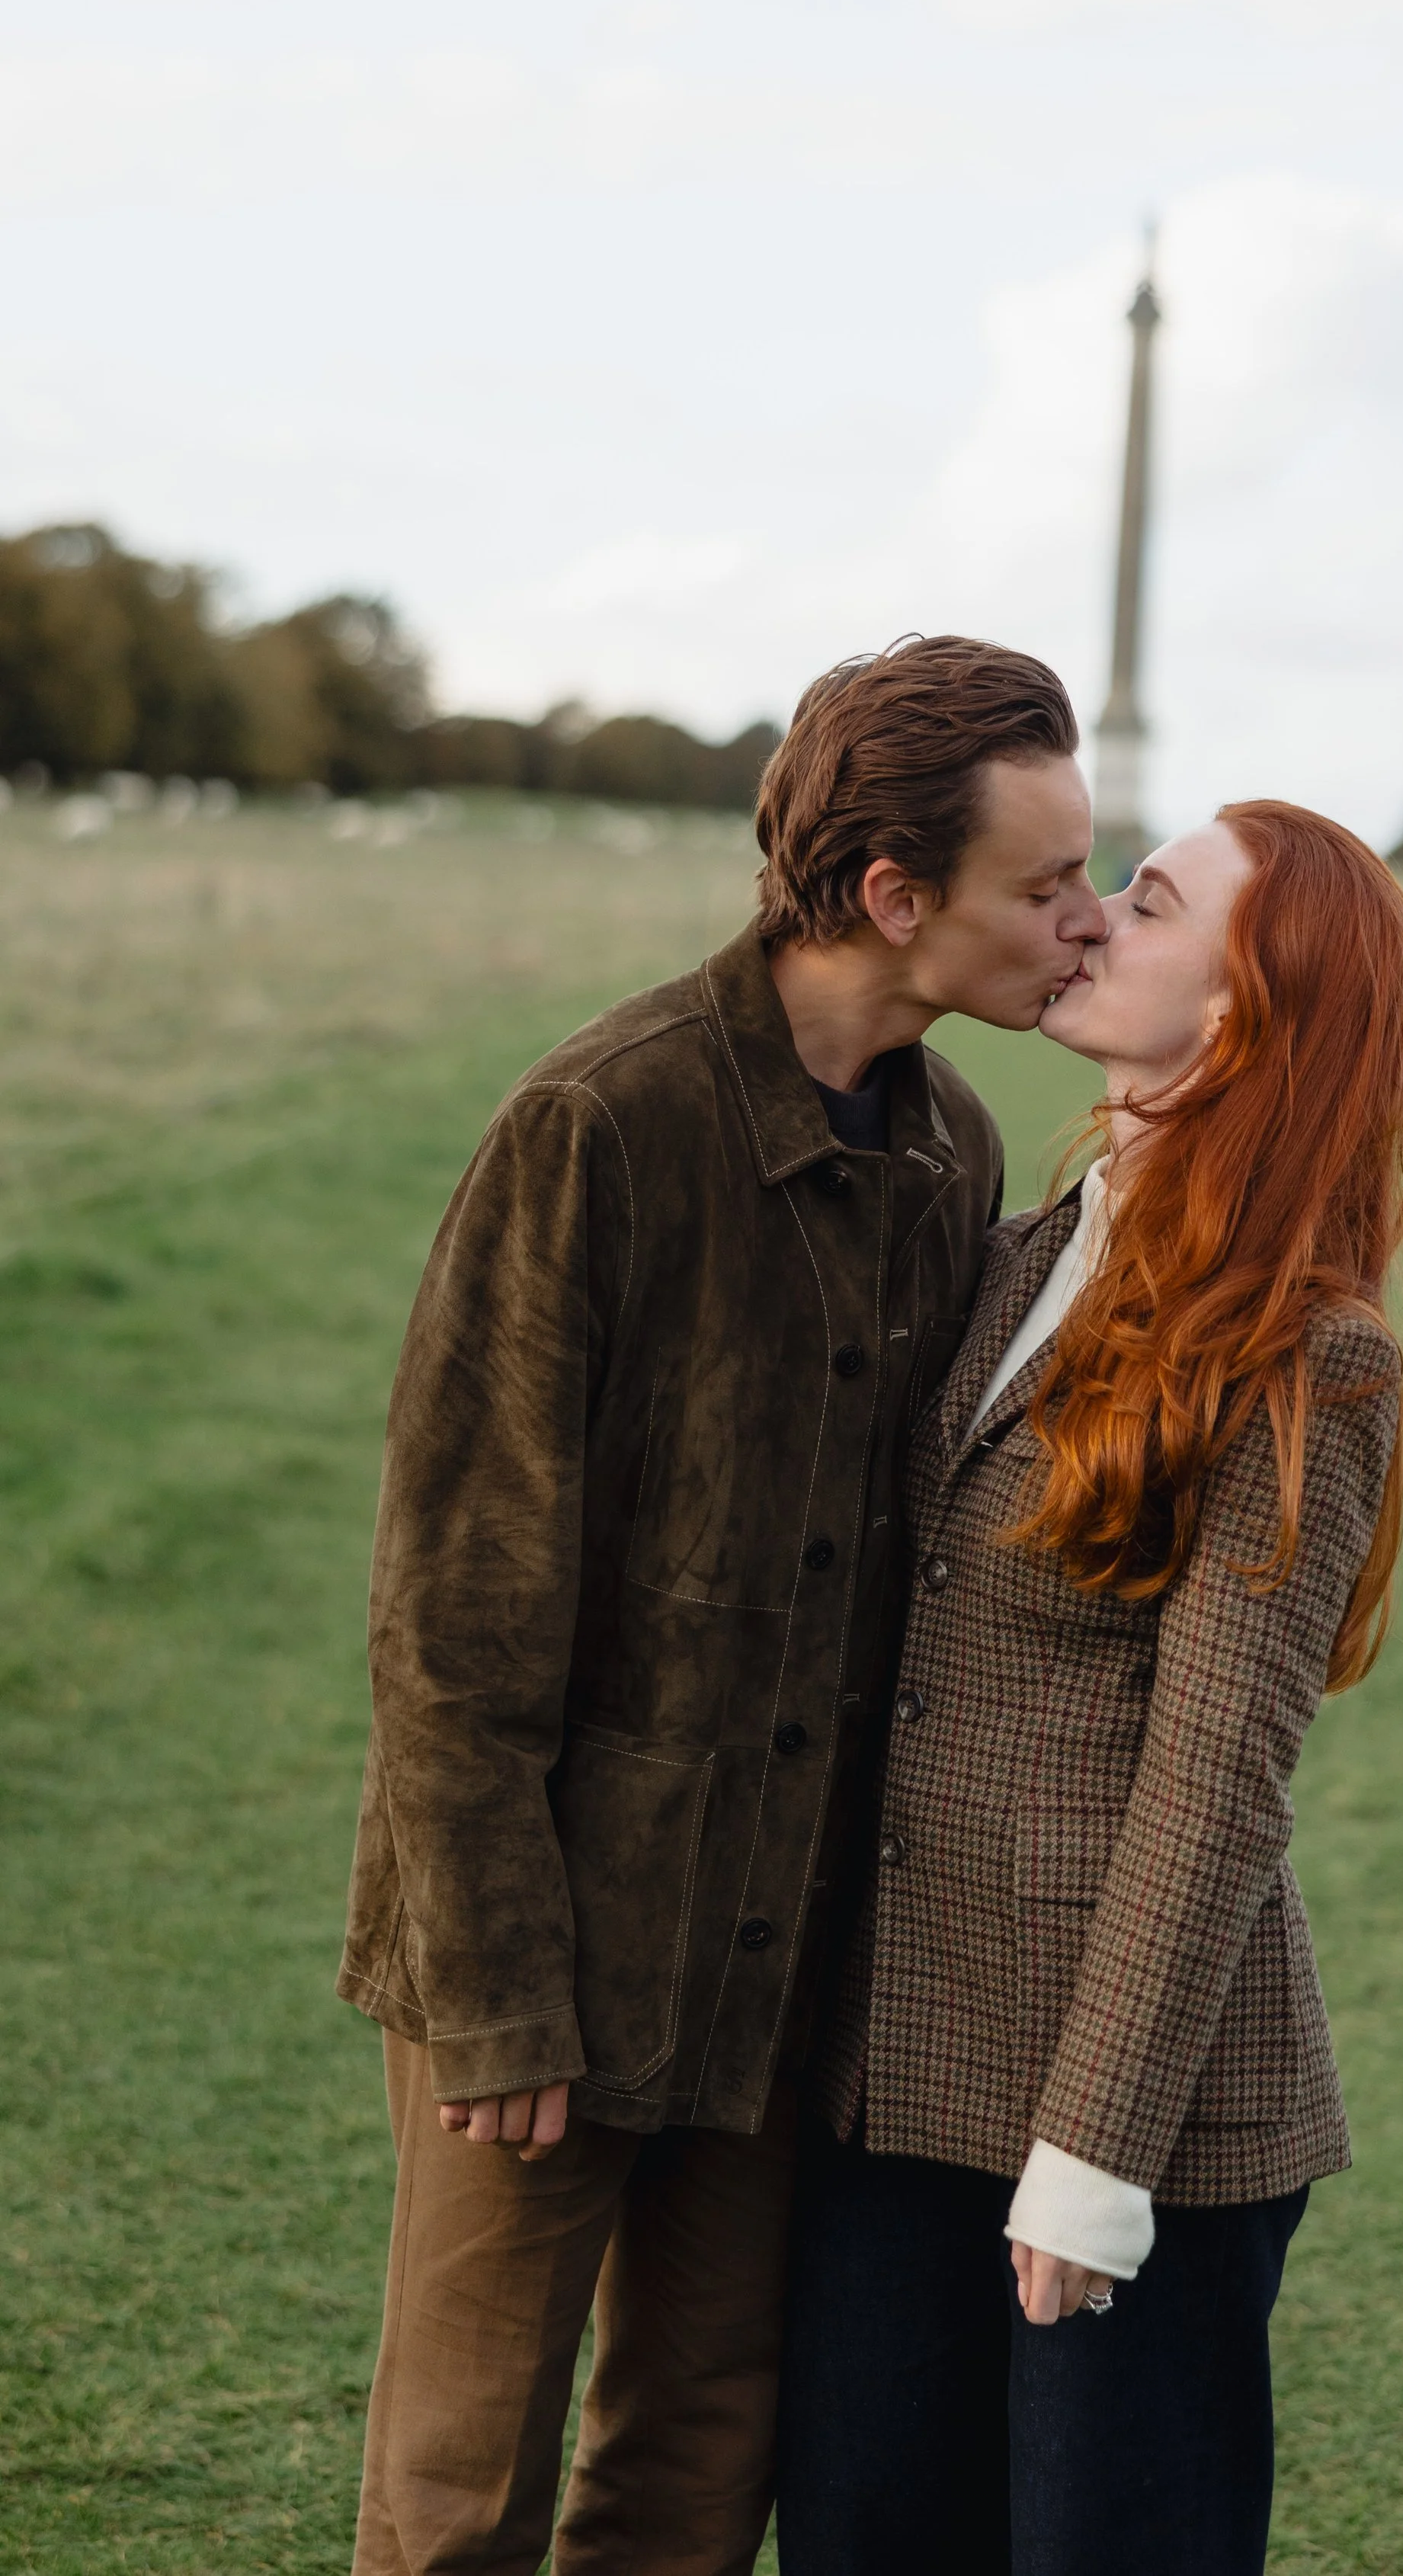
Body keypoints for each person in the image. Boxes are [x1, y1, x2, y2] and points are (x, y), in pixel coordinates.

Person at [336, 633, 1107, 2576]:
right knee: (458, 2498)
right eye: (1044, 885)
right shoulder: (597, 1126)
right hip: (544, 1953)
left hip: (783, 1965)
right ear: (889, 894)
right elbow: (454, 1619)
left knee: (693, 2473)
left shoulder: (954, 1150)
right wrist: (501, 1998)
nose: (1080, 926)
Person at [777, 799, 1403, 2576]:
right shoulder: (1012, 1247)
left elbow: (1215, 1777)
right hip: (897, 2065)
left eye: (1142, 906)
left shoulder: (1314, 1357)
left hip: (1136, 2118)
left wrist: (1089, 2153)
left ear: (1240, 1019)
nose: (1086, 924)